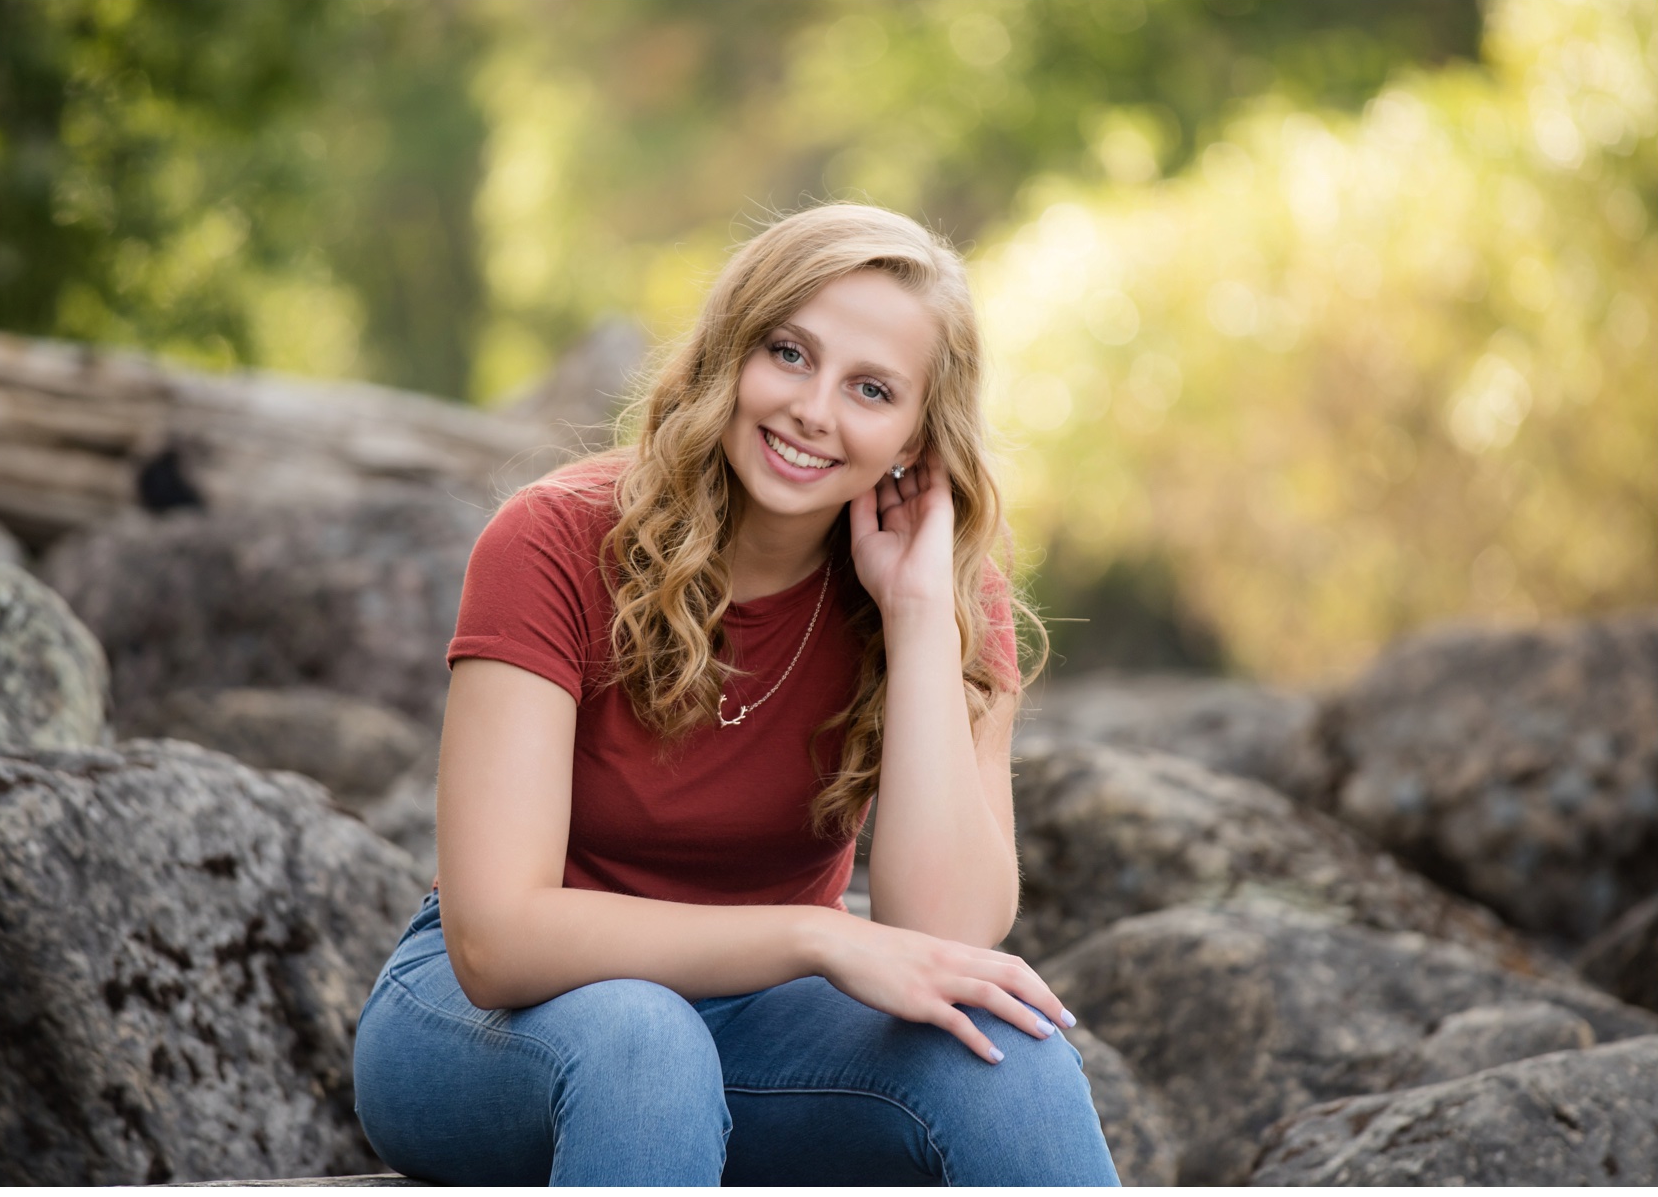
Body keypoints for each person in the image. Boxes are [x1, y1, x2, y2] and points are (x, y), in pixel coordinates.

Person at [352, 203, 1120, 1186]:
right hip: (493, 1025)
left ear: (916, 437)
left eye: (872, 389)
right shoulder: (553, 541)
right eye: (789, 354)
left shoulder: (942, 591)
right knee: (645, 1035)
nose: (813, 408)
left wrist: (919, 614)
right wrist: (815, 932)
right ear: (730, 350)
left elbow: (946, 934)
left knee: (1009, 1050)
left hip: (760, 1032)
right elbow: (495, 938)